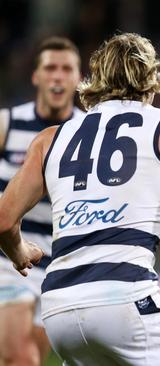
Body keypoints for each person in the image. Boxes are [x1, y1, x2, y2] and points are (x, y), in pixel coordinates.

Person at [0, 32, 160, 366]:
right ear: (152, 80)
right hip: (124, 297)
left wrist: (19, 251)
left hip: (58, 308)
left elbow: (4, 220)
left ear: (94, 79)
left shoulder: (50, 138)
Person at [0, 36, 83, 366]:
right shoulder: (8, 123)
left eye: (66, 69)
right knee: (22, 359)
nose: (58, 76)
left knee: (30, 359)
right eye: (50, 67)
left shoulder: (88, 132)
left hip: (57, 266)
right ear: (36, 76)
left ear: (78, 79)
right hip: (7, 257)